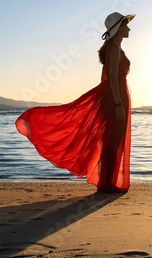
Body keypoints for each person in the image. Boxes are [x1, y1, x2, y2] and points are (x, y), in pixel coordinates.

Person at [16, 12, 135, 193]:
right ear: (118, 29)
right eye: (125, 25)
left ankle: (106, 183)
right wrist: (118, 104)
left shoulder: (112, 47)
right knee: (113, 141)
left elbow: (104, 77)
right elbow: (110, 79)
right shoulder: (114, 49)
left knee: (111, 140)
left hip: (113, 96)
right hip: (115, 98)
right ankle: (107, 185)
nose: (129, 28)